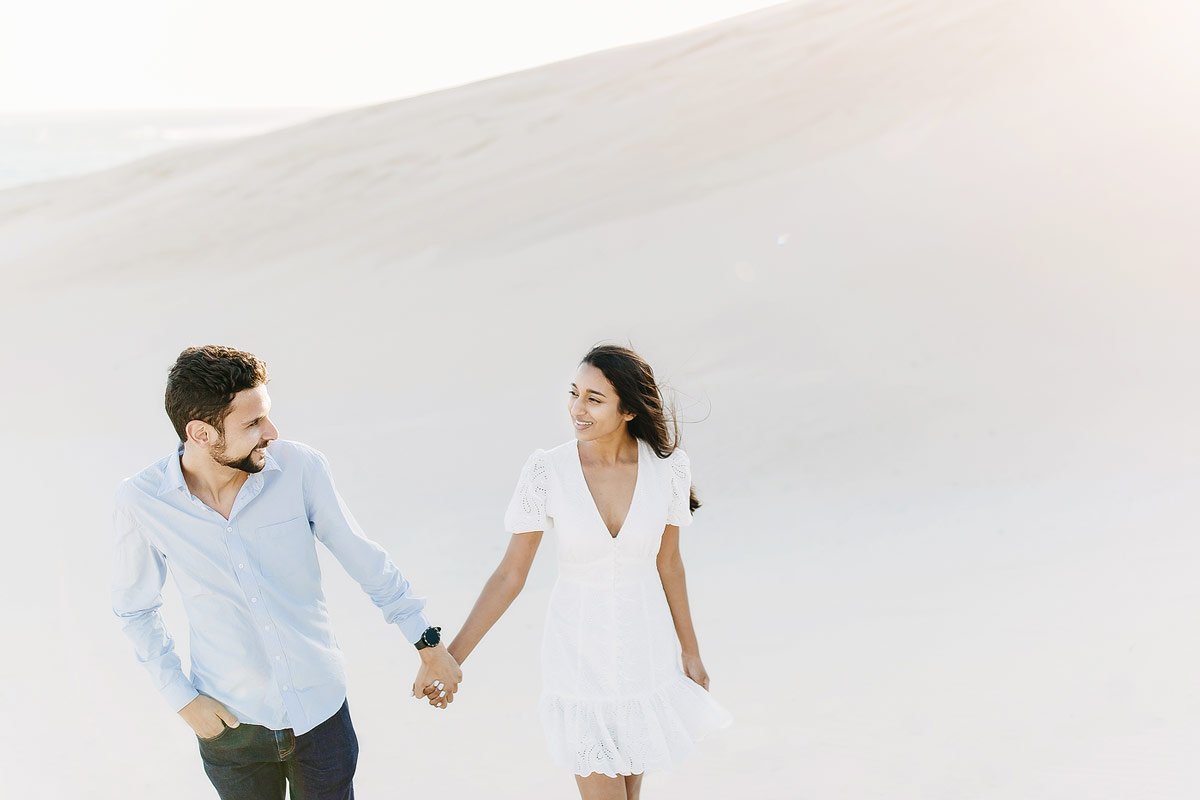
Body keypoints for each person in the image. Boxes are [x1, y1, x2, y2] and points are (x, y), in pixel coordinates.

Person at [112, 345, 461, 800]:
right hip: (230, 726)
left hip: (320, 714)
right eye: (252, 423)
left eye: (267, 416)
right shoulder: (142, 501)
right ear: (200, 433)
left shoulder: (299, 468)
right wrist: (183, 700)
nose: (271, 432)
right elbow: (135, 610)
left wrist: (427, 643)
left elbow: (364, 559)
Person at [442, 344, 731, 800]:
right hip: (578, 661)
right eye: (575, 393)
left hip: (644, 659)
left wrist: (690, 651)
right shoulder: (547, 471)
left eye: (594, 399)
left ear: (629, 410)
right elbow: (509, 575)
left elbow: (669, 563)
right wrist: (452, 657)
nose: (577, 409)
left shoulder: (667, 471)